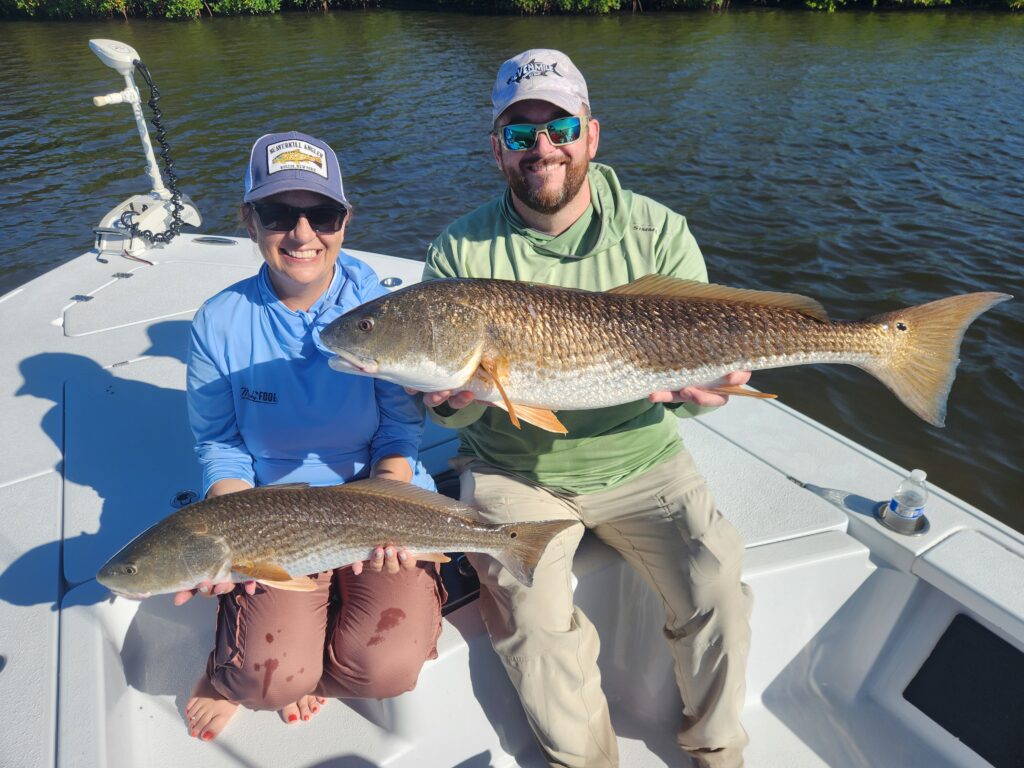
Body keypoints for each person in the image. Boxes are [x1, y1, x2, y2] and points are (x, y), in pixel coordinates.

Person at [420, 51, 752, 768]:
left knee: (717, 581)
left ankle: (718, 750)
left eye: (560, 127)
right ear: (497, 150)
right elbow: (454, 415)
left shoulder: (658, 231)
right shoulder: (457, 253)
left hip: (643, 458)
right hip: (515, 471)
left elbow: (698, 387)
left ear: (591, 135)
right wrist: (448, 403)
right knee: (533, 623)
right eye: (520, 134)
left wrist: (709, 392)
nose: (542, 147)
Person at [179, 131, 446, 742]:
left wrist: (389, 504)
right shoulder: (218, 323)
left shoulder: (384, 311)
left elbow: (400, 427)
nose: (302, 235)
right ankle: (256, 663)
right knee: (262, 684)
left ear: (344, 221)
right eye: (278, 214)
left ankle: (314, 665)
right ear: (250, 221)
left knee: (386, 668)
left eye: (321, 214)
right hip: (273, 511)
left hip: (374, 489)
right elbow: (219, 443)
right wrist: (229, 534)